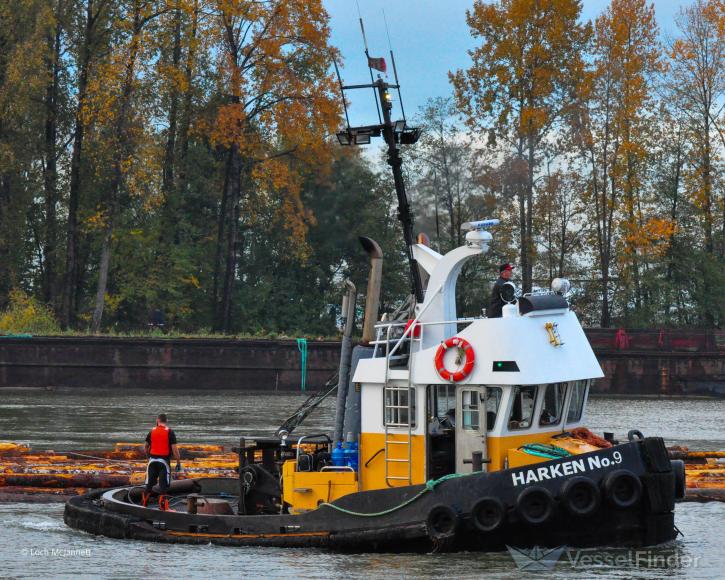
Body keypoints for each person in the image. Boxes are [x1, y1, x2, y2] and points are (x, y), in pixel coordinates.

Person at [142, 413, 181, 509]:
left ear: (157, 421)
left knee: (149, 485)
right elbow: (175, 450)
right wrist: (178, 463)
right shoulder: (170, 432)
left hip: (152, 462)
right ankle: (163, 507)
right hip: (163, 462)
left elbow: (146, 447)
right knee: (163, 487)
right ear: (166, 421)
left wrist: (148, 458)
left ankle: (144, 505)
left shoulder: (151, 431)